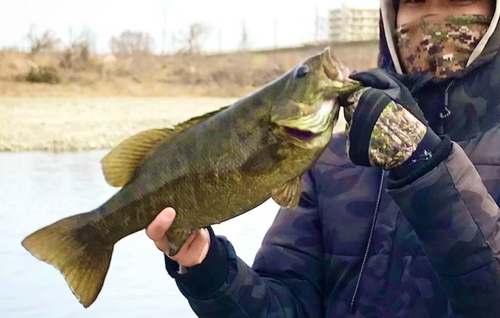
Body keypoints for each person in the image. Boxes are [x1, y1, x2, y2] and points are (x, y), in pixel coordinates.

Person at [146, 0, 500, 316]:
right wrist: (210, 270)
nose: (433, 15)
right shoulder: (329, 158)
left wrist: (420, 159)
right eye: (414, 1)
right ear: (391, 15)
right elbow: (285, 306)